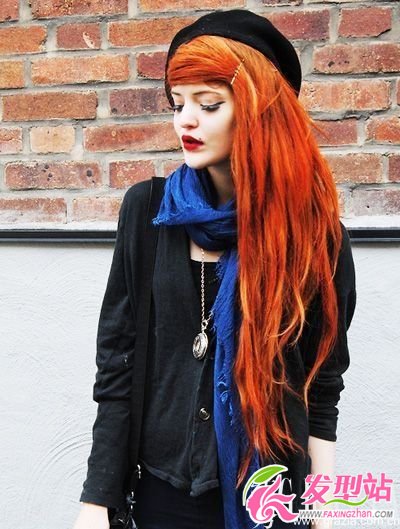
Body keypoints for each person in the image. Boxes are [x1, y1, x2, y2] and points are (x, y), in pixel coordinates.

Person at [72, 8, 357, 529]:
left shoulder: (315, 237)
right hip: (158, 499)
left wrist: (324, 512)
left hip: (268, 502)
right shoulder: (148, 212)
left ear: (259, 110)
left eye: (208, 104)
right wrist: (95, 503)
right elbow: (117, 369)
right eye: (178, 103)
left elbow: (321, 389)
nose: (185, 120)